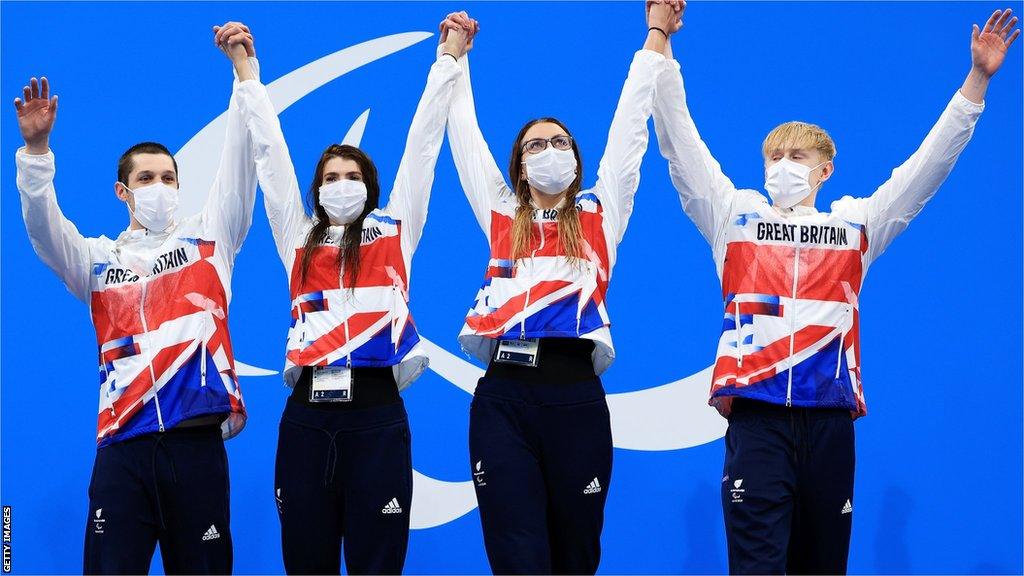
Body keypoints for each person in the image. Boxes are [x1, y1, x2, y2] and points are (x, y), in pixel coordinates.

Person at [649, 5, 1019, 574]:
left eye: (797, 157)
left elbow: (926, 169)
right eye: (773, 156)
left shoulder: (855, 227)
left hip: (829, 424)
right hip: (757, 420)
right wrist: (662, 42)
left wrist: (977, 82)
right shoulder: (734, 217)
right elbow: (680, 141)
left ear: (826, 170)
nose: (782, 166)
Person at [440, 4, 682, 574]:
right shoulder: (502, 212)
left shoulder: (602, 212)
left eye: (560, 142)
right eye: (535, 145)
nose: (550, 151)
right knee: (516, 552)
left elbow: (630, 125)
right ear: (520, 169)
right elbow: (464, 138)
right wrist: (455, 60)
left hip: (575, 398)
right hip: (503, 400)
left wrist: (655, 34)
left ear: (575, 159)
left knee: (576, 557)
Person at [14, 22, 262, 575]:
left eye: (170, 177)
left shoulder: (209, 240)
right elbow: (42, 229)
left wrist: (243, 70)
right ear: (124, 192)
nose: (162, 187)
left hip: (195, 448)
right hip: (122, 450)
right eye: (148, 178)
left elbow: (242, 161)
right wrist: (35, 152)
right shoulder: (98, 262)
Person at [238, 17, 471, 575]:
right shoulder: (297, 237)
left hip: (377, 417)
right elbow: (270, 158)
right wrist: (247, 73)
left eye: (352, 174)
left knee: (378, 566)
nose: (341, 183)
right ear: (317, 191)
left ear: (369, 185)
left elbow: (423, 148)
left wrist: (448, 61)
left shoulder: (396, 228)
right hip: (307, 422)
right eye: (330, 176)